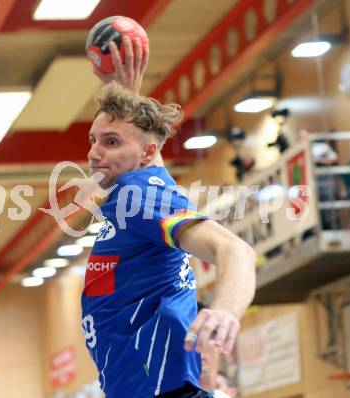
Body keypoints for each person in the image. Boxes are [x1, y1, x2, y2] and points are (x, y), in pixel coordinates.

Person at [80, 37, 256, 398]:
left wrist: (225, 310)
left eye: (110, 142)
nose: (93, 152)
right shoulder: (139, 185)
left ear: (144, 154)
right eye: (94, 139)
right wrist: (125, 96)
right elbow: (146, 149)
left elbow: (237, 251)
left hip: (162, 387)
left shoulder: (142, 196)